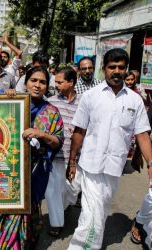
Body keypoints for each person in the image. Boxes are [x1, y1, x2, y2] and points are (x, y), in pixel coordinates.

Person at [66, 48, 152, 249]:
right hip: (90, 165)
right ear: (103, 69)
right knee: (92, 214)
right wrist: (72, 161)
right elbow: (79, 131)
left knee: (100, 210)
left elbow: (142, 134)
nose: (116, 71)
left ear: (126, 70)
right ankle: (82, 247)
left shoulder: (134, 100)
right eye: (112, 67)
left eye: (121, 67)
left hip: (114, 168)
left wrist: (151, 163)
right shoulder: (90, 96)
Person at [0, 67, 64, 248]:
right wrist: (6, 98)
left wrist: (42, 134)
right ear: (25, 82)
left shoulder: (52, 112)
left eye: (42, 82)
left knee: (32, 212)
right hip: (9, 171)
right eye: (33, 80)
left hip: (36, 172)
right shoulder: (11, 104)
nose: (37, 85)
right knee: (11, 214)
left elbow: (57, 141)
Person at [45, 66, 81, 237]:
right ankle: (56, 223)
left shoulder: (83, 103)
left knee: (73, 191)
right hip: (56, 156)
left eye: (60, 82)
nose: (56, 85)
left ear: (71, 82)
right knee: (53, 191)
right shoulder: (51, 102)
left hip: (77, 157)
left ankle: (64, 207)